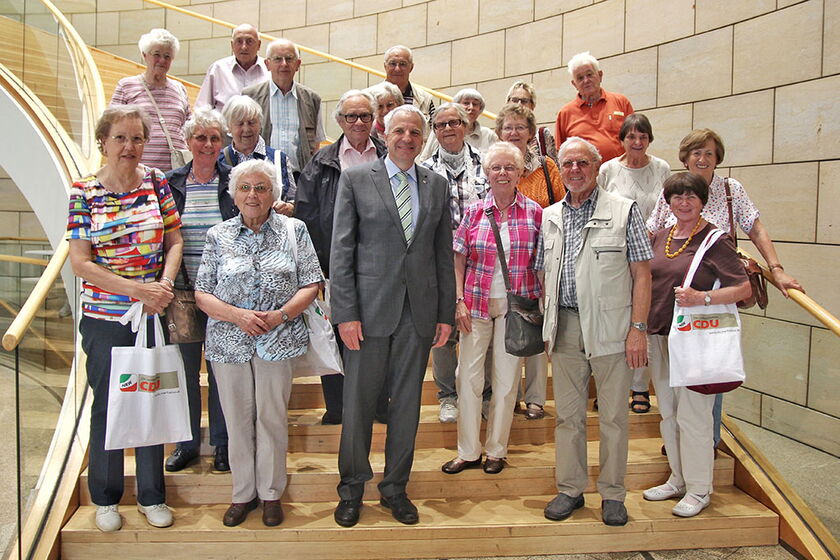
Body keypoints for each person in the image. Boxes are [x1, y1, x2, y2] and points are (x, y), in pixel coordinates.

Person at [330, 105, 455, 527]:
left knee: (406, 408)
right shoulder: (354, 179)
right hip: (366, 314)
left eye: (415, 132)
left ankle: (395, 489)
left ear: (424, 139)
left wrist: (445, 313)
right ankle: (351, 490)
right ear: (384, 132)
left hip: (417, 315)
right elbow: (341, 251)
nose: (407, 138)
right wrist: (344, 313)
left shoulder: (436, 185)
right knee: (359, 406)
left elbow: (441, 254)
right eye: (399, 130)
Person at [646, 128, 804, 447]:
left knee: (711, 366)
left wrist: (777, 269)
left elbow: (755, 227)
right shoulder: (674, 191)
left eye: (708, 153)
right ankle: (680, 438)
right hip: (675, 301)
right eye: (696, 153)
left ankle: (708, 440)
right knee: (676, 372)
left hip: (717, 296)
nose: (702, 159)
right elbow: (651, 233)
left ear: (718, 158)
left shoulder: (731, 190)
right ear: (685, 158)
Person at [67, 105, 183, 532]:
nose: (130, 147)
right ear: (103, 141)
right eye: (121, 138)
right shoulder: (84, 192)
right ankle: (106, 496)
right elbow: (81, 263)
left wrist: (164, 287)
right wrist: (139, 290)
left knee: (150, 399)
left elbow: (174, 240)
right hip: (105, 318)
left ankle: (152, 495)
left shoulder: (155, 182)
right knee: (110, 405)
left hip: (153, 313)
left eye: (137, 138)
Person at [194, 159, 323, 527]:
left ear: (274, 194)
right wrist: (238, 316)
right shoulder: (218, 235)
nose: (253, 194)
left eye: (262, 188)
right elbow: (203, 293)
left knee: (271, 417)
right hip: (228, 342)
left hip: (278, 339)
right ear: (234, 194)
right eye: (246, 188)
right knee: (237, 421)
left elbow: (312, 284)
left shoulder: (294, 230)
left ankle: (270, 493)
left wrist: (280, 315)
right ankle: (242, 494)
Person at [538, 137, 653, 527]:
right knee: (568, 417)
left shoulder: (623, 211)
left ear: (596, 166)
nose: (574, 170)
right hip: (566, 328)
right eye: (567, 163)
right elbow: (542, 273)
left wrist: (638, 329)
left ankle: (613, 493)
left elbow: (642, 275)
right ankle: (570, 488)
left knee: (615, 418)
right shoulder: (549, 215)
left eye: (582, 163)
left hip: (612, 328)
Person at [642, 172, 750, 517]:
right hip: (661, 336)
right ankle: (677, 478)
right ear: (668, 202)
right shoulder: (660, 236)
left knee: (695, 418)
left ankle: (700, 489)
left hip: (695, 340)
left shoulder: (715, 240)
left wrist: (702, 297)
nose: (683, 202)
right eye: (676, 197)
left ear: (702, 201)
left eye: (691, 196)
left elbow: (743, 288)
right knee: (670, 414)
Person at [441, 142, 542, 475]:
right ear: (486, 173)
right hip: (475, 304)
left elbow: (541, 264)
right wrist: (458, 300)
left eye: (509, 168)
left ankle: (497, 450)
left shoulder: (535, 213)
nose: (502, 173)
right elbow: (457, 259)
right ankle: (468, 451)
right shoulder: (474, 211)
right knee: (466, 379)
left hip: (516, 310)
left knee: (506, 380)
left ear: (520, 173)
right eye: (496, 168)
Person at [295, 89, 388, 425]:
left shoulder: (389, 156)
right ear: (339, 122)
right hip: (335, 267)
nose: (359, 122)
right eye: (351, 116)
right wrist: (315, 270)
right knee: (335, 335)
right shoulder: (320, 163)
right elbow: (305, 219)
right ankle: (338, 407)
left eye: (365, 115)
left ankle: (379, 405)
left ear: (375, 118)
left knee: (379, 336)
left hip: (382, 267)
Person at [163, 108, 235, 474]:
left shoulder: (234, 181)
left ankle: (222, 443)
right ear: (188, 142)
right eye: (200, 138)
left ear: (223, 142)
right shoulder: (171, 182)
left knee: (221, 371)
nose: (207, 145)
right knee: (184, 372)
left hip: (224, 295)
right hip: (181, 293)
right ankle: (186, 442)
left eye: (214, 138)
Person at [597, 113, 671, 414]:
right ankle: (608, 386)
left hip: (651, 256)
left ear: (649, 139)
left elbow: (670, 209)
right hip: (615, 255)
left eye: (643, 137)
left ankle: (639, 387)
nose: (637, 142)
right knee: (613, 320)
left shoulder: (662, 168)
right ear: (622, 140)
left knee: (643, 320)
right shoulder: (608, 169)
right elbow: (598, 205)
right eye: (631, 137)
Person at [420, 103, 489, 423]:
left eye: (454, 123)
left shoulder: (485, 163)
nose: (448, 129)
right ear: (434, 131)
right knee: (443, 332)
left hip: (481, 261)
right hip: (439, 261)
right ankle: (448, 395)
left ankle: (483, 393)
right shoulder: (423, 169)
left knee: (481, 330)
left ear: (466, 125)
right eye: (441, 124)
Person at [496, 103, 564, 420]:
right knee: (506, 338)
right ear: (499, 133)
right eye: (508, 127)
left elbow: (563, 206)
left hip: (539, 260)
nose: (513, 133)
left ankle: (535, 398)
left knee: (535, 328)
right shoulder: (495, 164)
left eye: (520, 127)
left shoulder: (546, 168)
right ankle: (507, 396)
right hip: (501, 264)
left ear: (530, 134)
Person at [241, 39, 326, 176]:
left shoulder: (312, 99)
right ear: (267, 64)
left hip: (300, 178)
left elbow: (315, 146)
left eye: (289, 59)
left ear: (298, 64)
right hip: (261, 176)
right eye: (277, 59)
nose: (284, 64)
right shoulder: (250, 97)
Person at [110, 28, 191, 172]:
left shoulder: (179, 89)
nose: (162, 60)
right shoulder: (126, 86)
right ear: (145, 55)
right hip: (139, 172)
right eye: (157, 54)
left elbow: (189, 127)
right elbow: (111, 127)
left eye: (167, 56)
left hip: (175, 174)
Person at [220, 94, 296, 215]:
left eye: (251, 122)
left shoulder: (278, 158)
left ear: (260, 124)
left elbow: (294, 200)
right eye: (240, 124)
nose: (246, 129)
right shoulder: (219, 160)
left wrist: (289, 207)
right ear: (229, 127)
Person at [555, 51, 634, 164]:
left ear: (600, 75)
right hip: (583, 179)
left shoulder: (621, 102)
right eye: (580, 78)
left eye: (589, 74)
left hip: (619, 175)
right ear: (574, 84)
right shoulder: (565, 113)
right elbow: (560, 155)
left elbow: (635, 139)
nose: (586, 80)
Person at [195, 24, 269, 112]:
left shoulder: (269, 70)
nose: (244, 47)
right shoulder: (218, 69)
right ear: (232, 45)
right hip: (224, 125)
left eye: (249, 41)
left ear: (259, 45)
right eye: (239, 41)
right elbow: (202, 109)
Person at [418, 88, 497, 161]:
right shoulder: (441, 130)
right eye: (466, 103)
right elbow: (424, 159)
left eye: (475, 104)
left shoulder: (488, 135)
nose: (471, 107)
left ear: (480, 109)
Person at [380, 45, 435, 130]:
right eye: (392, 64)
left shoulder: (425, 99)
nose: (397, 69)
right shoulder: (369, 97)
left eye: (403, 64)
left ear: (411, 67)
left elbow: (434, 133)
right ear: (385, 66)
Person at [506, 80, 557, 162]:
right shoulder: (500, 137)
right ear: (507, 103)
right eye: (515, 100)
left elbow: (555, 171)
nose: (519, 104)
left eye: (524, 101)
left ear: (532, 106)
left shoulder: (542, 136)